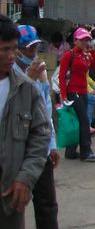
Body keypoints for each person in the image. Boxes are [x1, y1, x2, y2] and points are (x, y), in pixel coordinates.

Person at [0, 17, 50, 229]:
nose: (12, 56)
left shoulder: (26, 89)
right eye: (4, 50)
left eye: (14, 49)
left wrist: (26, 177)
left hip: (9, 196)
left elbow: (41, 135)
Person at [13, 25, 59, 228]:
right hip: (15, 147)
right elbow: (10, 107)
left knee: (47, 203)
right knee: (14, 205)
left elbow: (45, 111)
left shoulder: (39, 71)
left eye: (35, 48)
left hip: (39, 147)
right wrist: (28, 79)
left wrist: (52, 144)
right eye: (28, 49)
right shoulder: (10, 74)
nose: (32, 53)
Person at [59, 27, 95, 161]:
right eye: (83, 40)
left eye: (87, 40)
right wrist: (63, 95)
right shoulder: (69, 55)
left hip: (83, 91)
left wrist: (93, 52)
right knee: (84, 121)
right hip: (73, 92)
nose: (85, 42)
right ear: (75, 41)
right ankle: (86, 151)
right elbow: (61, 76)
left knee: (78, 122)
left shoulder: (86, 55)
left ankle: (71, 152)